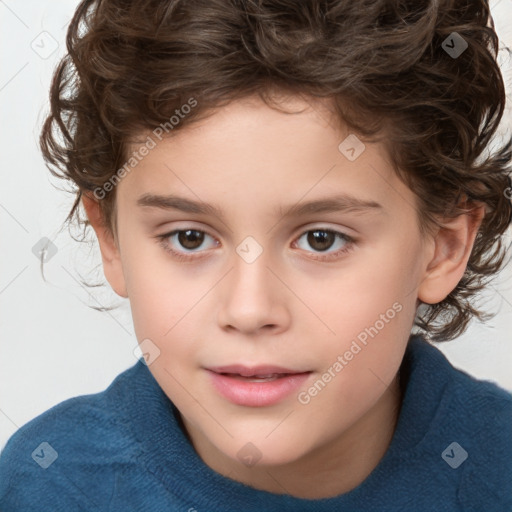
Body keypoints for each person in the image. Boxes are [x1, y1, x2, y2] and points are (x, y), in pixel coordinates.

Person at [1, 0, 511, 510]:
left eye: (321, 239)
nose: (248, 310)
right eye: (190, 238)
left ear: (443, 248)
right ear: (110, 239)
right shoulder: (50, 486)